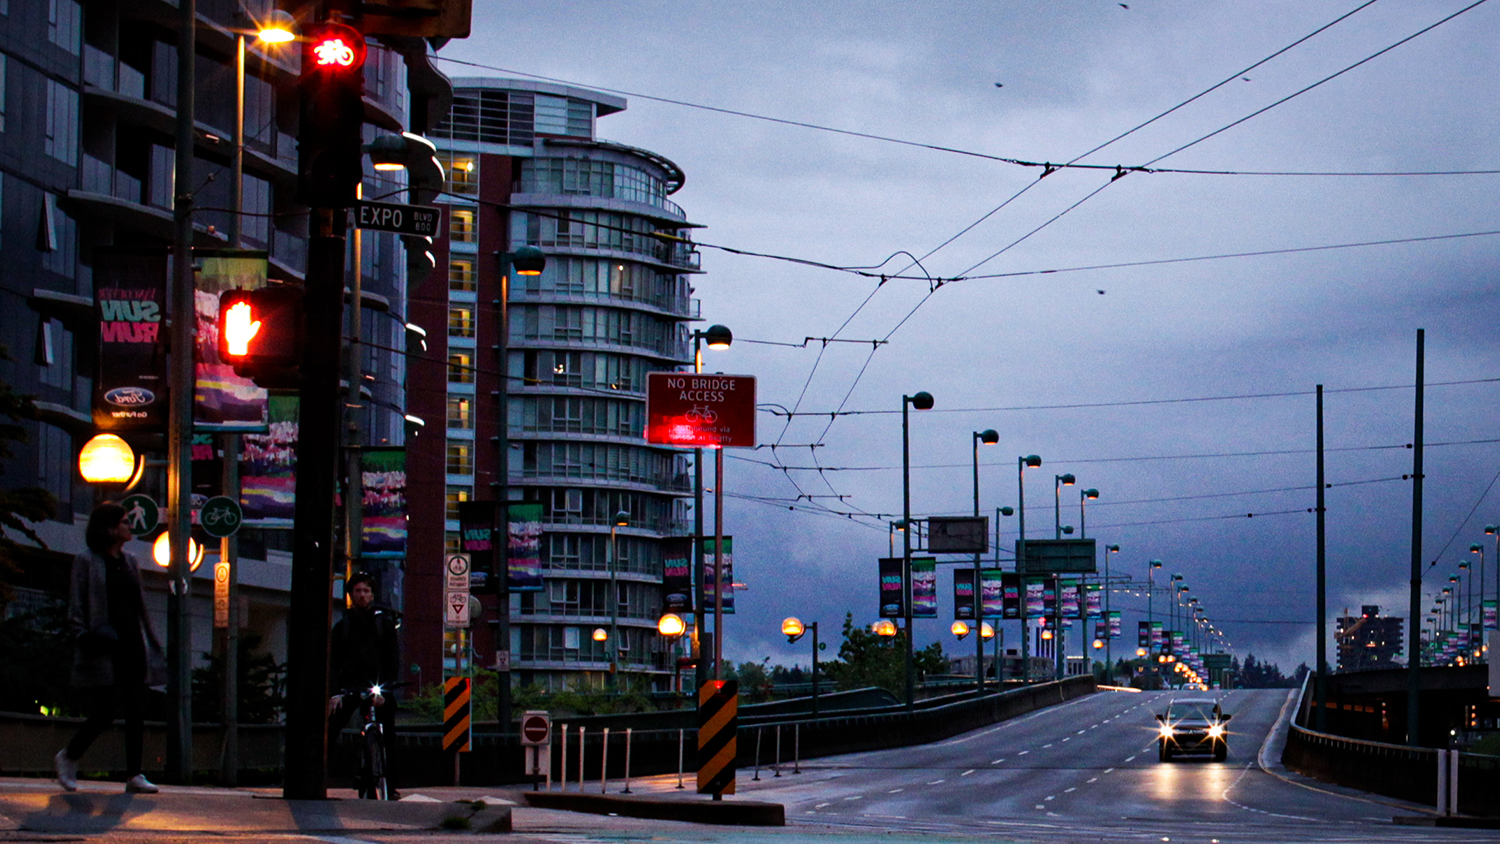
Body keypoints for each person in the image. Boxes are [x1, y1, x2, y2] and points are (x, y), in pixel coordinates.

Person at [55, 502, 167, 794]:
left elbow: (139, 604)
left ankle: (134, 774)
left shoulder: (130, 562)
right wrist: (82, 634)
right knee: (106, 710)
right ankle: (70, 755)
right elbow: (77, 602)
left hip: (132, 642)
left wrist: (150, 640)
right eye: (124, 522)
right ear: (109, 528)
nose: (129, 527)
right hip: (105, 643)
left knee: (136, 707)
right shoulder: (87, 561)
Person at [327, 571, 400, 792]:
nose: (362, 595)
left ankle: (392, 784)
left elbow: (393, 659)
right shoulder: (343, 627)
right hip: (350, 687)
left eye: (366, 591)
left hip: (378, 687)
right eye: (357, 591)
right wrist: (335, 693)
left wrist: (385, 689)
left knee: (388, 733)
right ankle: (319, 775)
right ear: (350, 595)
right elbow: (333, 662)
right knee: (330, 729)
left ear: (372, 595)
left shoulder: (384, 624)